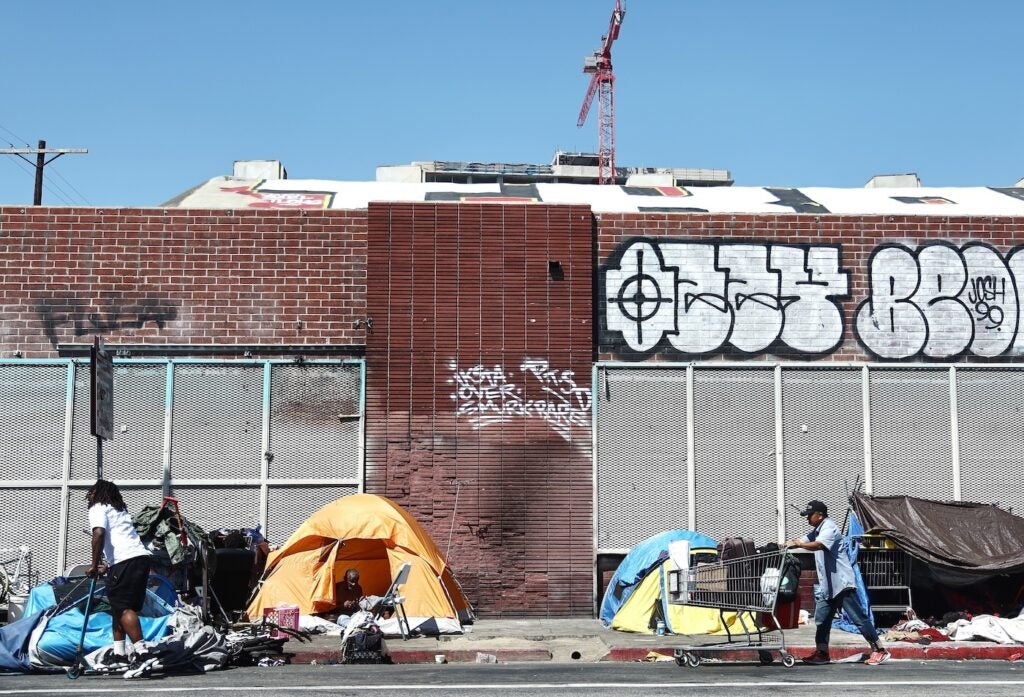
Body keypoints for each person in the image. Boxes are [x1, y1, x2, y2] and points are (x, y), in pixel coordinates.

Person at [784, 499, 890, 666]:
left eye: (809, 515)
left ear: (819, 515)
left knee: (858, 618)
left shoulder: (829, 528)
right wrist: (787, 544)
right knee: (822, 620)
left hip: (841, 584)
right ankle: (822, 653)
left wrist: (800, 544)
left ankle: (879, 650)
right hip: (828, 586)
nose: (807, 519)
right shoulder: (817, 529)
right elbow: (804, 539)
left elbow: (818, 545)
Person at [86, 479, 154, 667]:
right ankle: (119, 655)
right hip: (139, 559)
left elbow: (98, 534)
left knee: (123, 608)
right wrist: (107, 565)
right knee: (118, 608)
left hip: (126, 561)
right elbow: (121, 539)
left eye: (91, 492)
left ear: (96, 493)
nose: (89, 496)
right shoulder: (119, 509)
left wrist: (93, 565)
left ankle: (142, 653)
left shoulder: (98, 507)